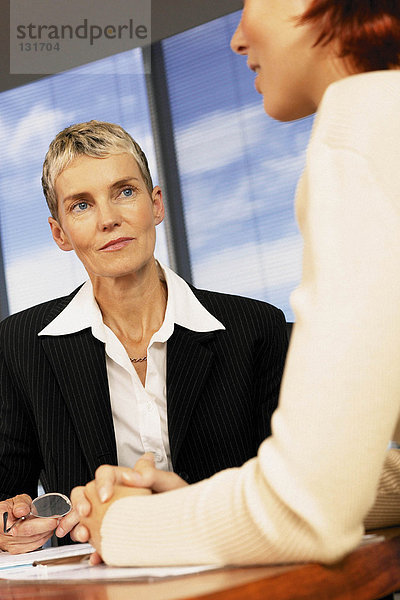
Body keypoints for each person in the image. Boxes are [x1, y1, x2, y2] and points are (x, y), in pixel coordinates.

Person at [71, 0, 400, 567]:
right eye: (81, 204)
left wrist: (123, 525)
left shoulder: (365, 130)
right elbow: (338, 485)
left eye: (252, 2)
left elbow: (303, 511)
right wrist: (199, 505)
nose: (237, 37)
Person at [0, 120, 288, 554]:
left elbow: (291, 485)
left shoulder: (256, 329)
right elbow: (9, 494)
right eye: (81, 205)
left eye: (125, 192)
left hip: (239, 565)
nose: (109, 219)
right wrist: (11, 524)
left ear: (156, 205)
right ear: (59, 233)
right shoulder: (20, 344)